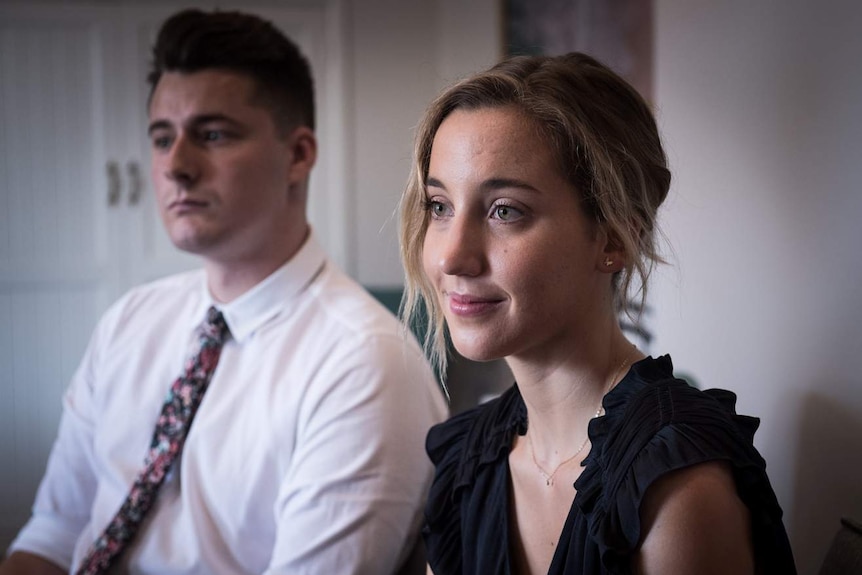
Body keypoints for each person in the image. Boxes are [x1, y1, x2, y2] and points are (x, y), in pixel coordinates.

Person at [1, 8, 446, 575]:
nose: (176, 166)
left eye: (212, 135)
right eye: (163, 138)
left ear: (299, 154)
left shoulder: (365, 363)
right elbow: (54, 533)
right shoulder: (130, 321)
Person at [399, 52, 796, 574]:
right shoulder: (468, 461)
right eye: (439, 207)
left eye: (505, 211)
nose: (451, 256)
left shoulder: (674, 489)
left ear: (612, 238)